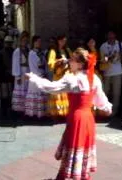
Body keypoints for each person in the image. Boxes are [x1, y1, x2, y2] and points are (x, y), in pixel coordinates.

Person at [26, 48, 112, 180]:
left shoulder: (73, 79)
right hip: (88, 119)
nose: (69, 61)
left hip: (77, 119)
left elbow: (51, 88)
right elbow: (100, 100)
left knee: (73, 147)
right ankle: (79, 176)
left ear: (80, 64)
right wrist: (107, 108)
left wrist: (34, 78)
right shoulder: (94, 78)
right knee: (81, 149)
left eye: (72, 59)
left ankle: (66, 177)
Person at [99, 30, 122, 116]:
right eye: (109, 36)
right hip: (107, 71)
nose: (111, 37)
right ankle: (105, 109)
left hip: (118, 71)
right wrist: (109, 57)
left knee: (116, 92)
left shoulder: (120, 44)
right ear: (107, 36)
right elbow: (102, 59)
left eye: (113, 36)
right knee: (105, 91)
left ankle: (114, 111)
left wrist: (120, 56)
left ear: (115, 36)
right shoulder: (103, 46)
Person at [47, 35, 71, 121]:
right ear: (58, 41)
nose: (63, 42)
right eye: (62, 41)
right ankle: (56, 114)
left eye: (65, 41)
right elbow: (50, 63)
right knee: (57, 94)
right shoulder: (53, 51)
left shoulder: (67, 50)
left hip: (66, 74)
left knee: (65, 94)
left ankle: (65, 113)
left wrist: (68, 61)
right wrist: (59, 61)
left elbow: (72, 59)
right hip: (57, 75)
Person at [24, 36, 47, 119]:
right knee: (35, 95)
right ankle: (32, 113)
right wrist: (39, 72)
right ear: (33, 42)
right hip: (35, 75)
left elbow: (44, 63)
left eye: (40, 41)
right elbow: (34, 65)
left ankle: (40, 114)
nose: (39, 43)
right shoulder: (32, 53)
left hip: (42, 75)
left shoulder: (41, 53)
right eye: (37, 41)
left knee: (41, 95)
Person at [11, 34, 30, 114]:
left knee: (26, 90)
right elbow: (15, 63)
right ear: (20, 41)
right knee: (20, 90)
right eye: (23, 40)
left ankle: (26, 108)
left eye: (26, 41)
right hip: (20, 72)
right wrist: (17, 76)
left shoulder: (28, 50)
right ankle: (19, 109)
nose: (24, 42)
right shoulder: (17, 51)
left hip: (27, 72)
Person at [0, 36, 15, 117]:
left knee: (11, 95)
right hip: (4, 77)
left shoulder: (14, 52)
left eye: (9, 43)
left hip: (12, 77)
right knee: (4, 95)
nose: (8, 44)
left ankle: (10, 110)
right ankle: (4, 110)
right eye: (7, 43)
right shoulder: (1, 52)